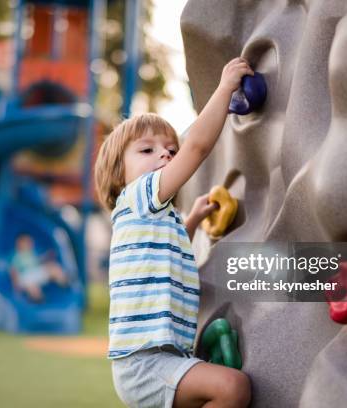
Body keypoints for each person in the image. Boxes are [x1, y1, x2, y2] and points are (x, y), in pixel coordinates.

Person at [94, 57, 254, 408]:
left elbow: (162, 255)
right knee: (232, 388)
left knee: (229, 388)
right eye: (147, 150)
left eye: (170, 150)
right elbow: (196, 147)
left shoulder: (153, 219)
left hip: (164, 359)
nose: (165, 155)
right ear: (120, 173)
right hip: (146, 362)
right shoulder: (137, 194)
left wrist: (192, 221)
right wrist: (224, 88)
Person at [10, 234, 68, 302]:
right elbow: (13, 271)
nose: (30, 244)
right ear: (19, 244)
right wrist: (16, 287)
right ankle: (37, 298)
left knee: (53, 267)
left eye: (30, 242)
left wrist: (47, 257)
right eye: (26, 242)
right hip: (25, 277)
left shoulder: (31, 254)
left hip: (36, 273)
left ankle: (64, 282)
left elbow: (37, 262)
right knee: (32, 286)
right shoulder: (17, 256)